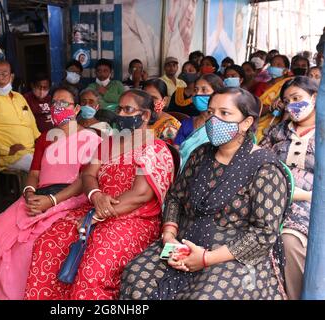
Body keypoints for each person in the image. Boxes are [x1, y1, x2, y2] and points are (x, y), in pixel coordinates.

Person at [120, 87, 292, 300]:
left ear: (246, 123)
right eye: (211, 112)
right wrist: (169, 236)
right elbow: (175, 197)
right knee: (135, 276)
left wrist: (206, 258)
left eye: (225, 113)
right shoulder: (200, 154)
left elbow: (265, 232)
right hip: (185, 240)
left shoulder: (264, 167)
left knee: (205, 296)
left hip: (232, 254)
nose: (214, 119)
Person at [25, 89, 175, 300]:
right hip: (95, 208)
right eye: (119, 109)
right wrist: (96, 195)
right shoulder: (109, 143)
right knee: (48, 244)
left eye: (128, 109)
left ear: (145, 115)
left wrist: (98, 214)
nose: (121, 114)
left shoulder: (154, 148)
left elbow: (140, 195)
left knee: (92, 270)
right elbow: (88, 174)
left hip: (132, 218)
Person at [0, 87, 102, 300]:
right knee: (0, 226)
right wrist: (28, 192)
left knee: (29, 242)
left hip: (70, 197)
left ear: (76, 109)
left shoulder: (91, 139)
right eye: (54, 103)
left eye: (64, 103)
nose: (58, 107)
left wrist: (51, 201)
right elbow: (34, 173)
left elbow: (84, 180)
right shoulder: (45, 137)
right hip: (39, 195)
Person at [259, 76, 318, 300]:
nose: (292, 105)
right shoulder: (277, 132)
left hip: (313, 203)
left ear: (314, 99)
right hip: (274, 198)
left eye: (297, 98)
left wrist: (309, 195)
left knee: (288, 241)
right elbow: (260, 162)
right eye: (287, 100)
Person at [0, 60, 40, 172]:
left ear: (12, 76)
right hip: (10, 157)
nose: (0, 78)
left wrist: (42, 143)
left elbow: (33, 126)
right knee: (41, 169)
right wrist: (7, 150)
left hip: (32, 151)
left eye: (4, 74)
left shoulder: (19, 97)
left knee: (56, 162)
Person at [174, 74, 224, 146]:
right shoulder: (186, 123)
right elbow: (176, 149)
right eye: (195, 90)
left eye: (204, 90)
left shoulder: (224, 126)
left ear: (217, 94)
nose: (197, 93)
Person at [254, 55, 293, 142]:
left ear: (286, 70)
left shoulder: (289, 84)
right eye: (272, 64)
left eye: (278, 65)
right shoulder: (261, 85)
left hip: (277, 124)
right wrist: (270, 107)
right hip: (257, 123)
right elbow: (255, 108)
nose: (274, 67)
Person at [143, 79, 180, 143]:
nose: (148, 101)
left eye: (154, 98)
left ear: (164, 100)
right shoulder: (138, 118)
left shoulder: (170, 126)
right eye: (145, 97)